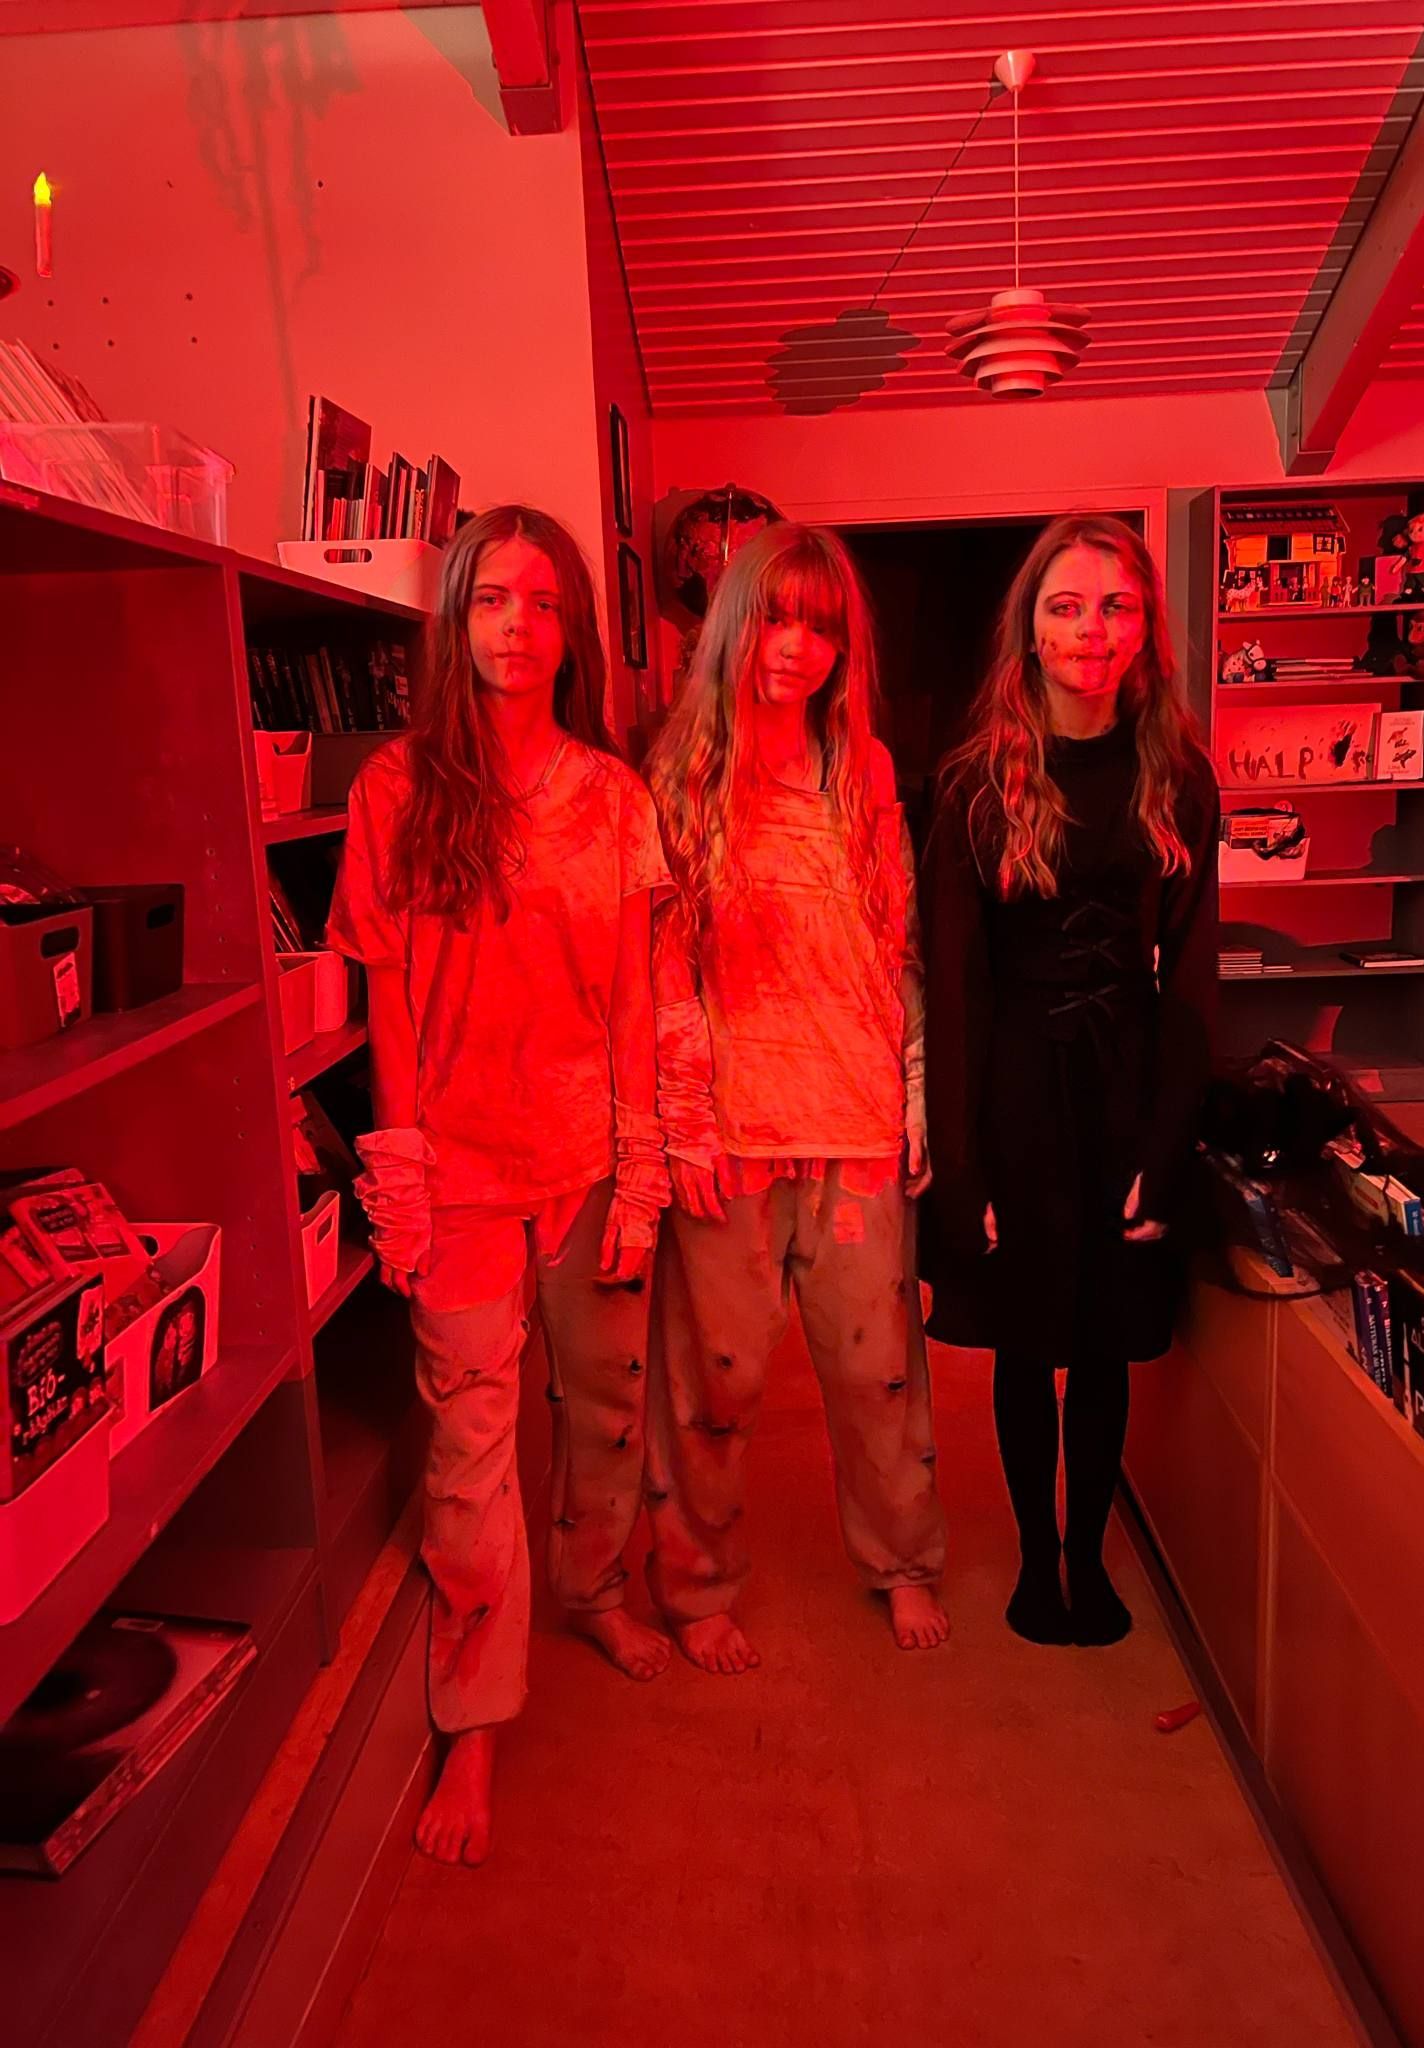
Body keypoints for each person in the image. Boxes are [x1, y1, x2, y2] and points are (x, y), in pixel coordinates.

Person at [328, 505, 673, 1866]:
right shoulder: (396, 790)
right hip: (463, 1171)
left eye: (541, 601)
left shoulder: (616, 798)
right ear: (455, 620)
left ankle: (595, 1590)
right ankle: (475, 1720)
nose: (517, 626)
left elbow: (637, 1001)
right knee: (471, 1457)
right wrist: (403, 1179)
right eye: (490, 599)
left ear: (571, 626)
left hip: (588, 1160)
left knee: (606, 1412)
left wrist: (642, 1171)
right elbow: (388, 1005)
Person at [644, 521, 949, 1675]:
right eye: (776, 617)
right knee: (714, 1385)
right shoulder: (680, 772)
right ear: (735, 622)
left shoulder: (864, 770)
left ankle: (903, 1556)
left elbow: (897, 947)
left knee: (878, 1374)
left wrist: (913, 1093)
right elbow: (661, 968)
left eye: (820, 627)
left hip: (854, 1120)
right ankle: (697, 1580)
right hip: (731, 1129)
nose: (795, 646)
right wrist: (682, 1124)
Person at [922, 514, 1218, 1648]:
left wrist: (1167, 1139)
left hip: (1126, 1084)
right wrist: (962, 1166)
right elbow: (956, 987)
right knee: (1024, 1341)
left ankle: (1087, 1557)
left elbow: (1192, 975)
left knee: (1102, 1345)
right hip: (1014, 1089)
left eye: (1114, 606)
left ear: (1143, 629)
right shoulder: (973, 782)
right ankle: (1034, 1560)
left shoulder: (1178, 776)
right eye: (1066, 607)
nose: (1091, 630)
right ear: (1030, 630)